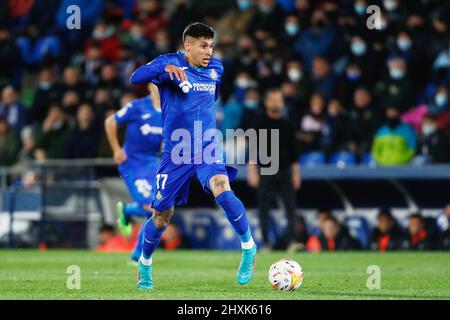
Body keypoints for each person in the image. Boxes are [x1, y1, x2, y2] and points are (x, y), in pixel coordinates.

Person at [130, 22, 257, 290]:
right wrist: (162, 69)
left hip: (207, 145)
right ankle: (145, 264)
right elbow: (135, 78)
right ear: (187, 46)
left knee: (223, 190)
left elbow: (212, 98)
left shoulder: (217, 69)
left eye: (211, 45)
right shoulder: (169, 63)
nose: (208, 51)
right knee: (162, 215)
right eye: (202, 45)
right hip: (176, 151)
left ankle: (248, 248)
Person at [104, 83, 163, 264]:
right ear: (151, 87)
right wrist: (116, 149)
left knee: (160, 211)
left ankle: (137, 255)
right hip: (132, 163)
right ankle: (129, 211)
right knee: (152, 207)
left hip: (154, 163)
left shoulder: (171, 110)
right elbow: (110, 122)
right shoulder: (137, 106)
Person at [248, 88, 301, 252]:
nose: (276, 102)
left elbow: (294, 153)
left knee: (290, 208)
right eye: (273, 99)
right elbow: (251, 150)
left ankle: (292, 242)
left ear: (283, 103)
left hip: (285, 171)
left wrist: (296, 174)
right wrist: (252, 171)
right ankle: (266, 244)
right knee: (263, 209)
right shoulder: (259, 123)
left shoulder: (288, 125)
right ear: (266, 102)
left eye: (279, 99)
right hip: (265, 171)